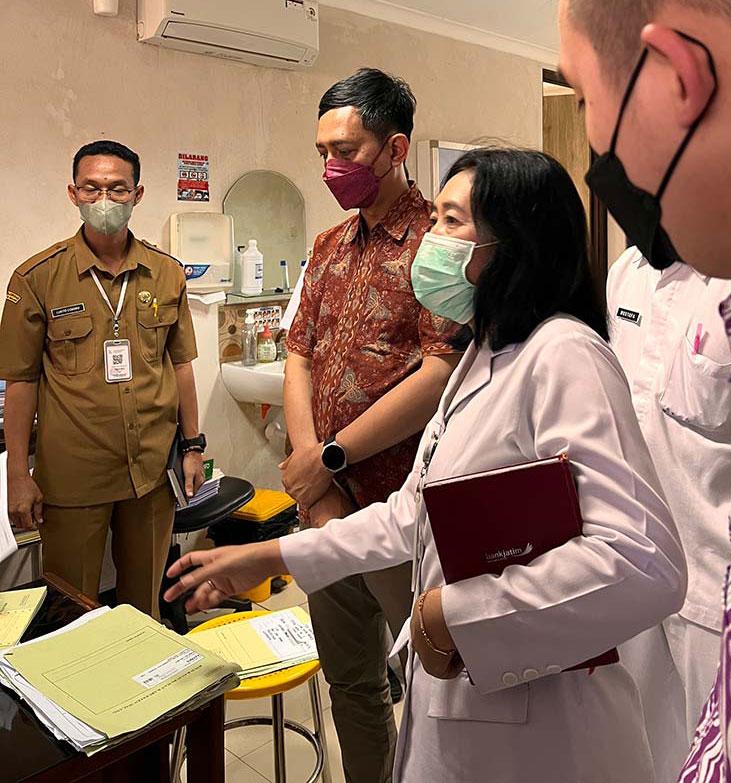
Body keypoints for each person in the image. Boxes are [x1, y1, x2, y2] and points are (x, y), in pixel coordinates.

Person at [166, 147, 687, 783]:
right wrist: (271, 556)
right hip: (470, 713)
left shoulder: (565, 355)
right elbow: (413, 511)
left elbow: (642, 563)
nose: (428, 242)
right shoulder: (486, 352)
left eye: (450, 222)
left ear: (514, 245)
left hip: (547, 730)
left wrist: (456, 617)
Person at [557, 1, 731, 780]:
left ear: (677, 77)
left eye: (583, 95)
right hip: (647, 571)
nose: (597, 144)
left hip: (707, 588)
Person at [280, 68, 463, 781]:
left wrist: (329, 457)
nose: (332, 167)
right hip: (324, 507)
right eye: (322, 148)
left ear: (395, 148)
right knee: (350, 680)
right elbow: (298, 352)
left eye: (347, 150)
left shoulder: (438, 246)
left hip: (402, 512)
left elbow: (439, 370)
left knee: (431, 684)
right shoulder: (328, 246)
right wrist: (310, 472)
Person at [0, 140, 205, 619]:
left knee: (143, 612)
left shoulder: (167, 273)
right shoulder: (36, 278)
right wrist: (16, 476)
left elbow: (181, 366)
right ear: (73, 194)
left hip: (152, 473)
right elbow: (21, 381)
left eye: (117, 189)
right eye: (91, 188)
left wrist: (193, 447)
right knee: (70, 614)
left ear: (137, 194)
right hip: (74, 478)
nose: (104, 200)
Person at [607, 247, 731, 781]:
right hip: (636, 569)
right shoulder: (627, 275)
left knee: (726, 763)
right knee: (638, 752)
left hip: (723, 597)